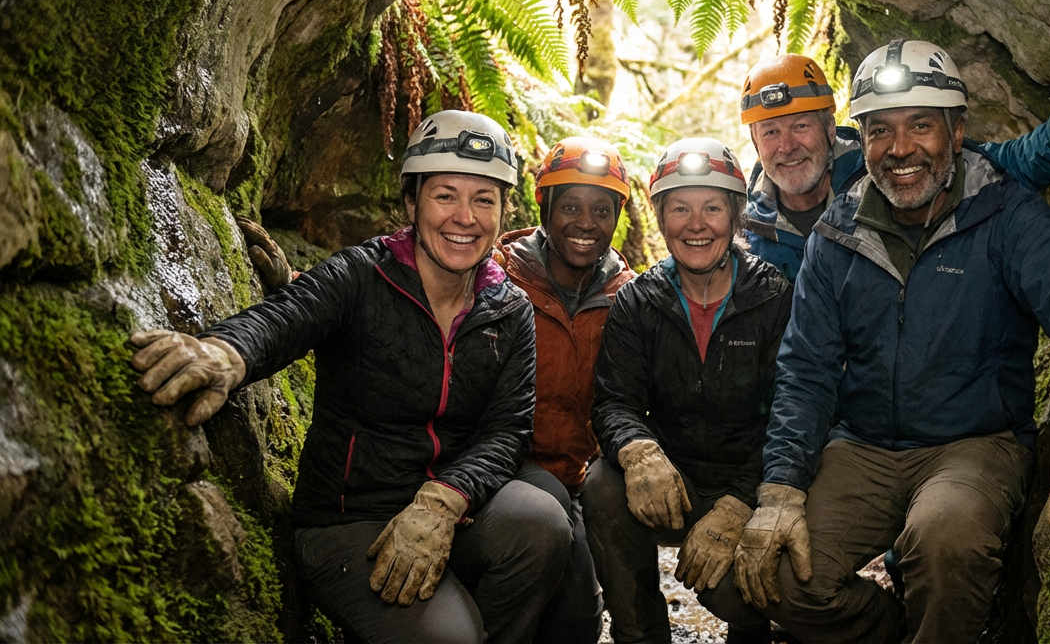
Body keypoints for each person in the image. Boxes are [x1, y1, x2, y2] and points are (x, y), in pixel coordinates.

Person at [731, 40, 1050, 642]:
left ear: (957, 130)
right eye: (881, 130)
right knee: (781, 575)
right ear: (861, 143)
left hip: (973, 441)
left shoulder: (1004, 214)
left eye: (921, 124)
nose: (900, 148)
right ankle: (895, 632)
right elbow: (805, 370)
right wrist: (780, 490)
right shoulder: (832, 237)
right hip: (861, 445)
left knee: (944, 538)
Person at [128, 110, 572, 644]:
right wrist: (225, 353)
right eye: (445, 195)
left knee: (541, 523)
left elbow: (507, 432)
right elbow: (288, 316)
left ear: (503, 212)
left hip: (448, 509)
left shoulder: (508, 307)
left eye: (485, 199)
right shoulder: (364, 275)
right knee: (450, 639)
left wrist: (443, 502)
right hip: (348, 521)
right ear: (411, 203)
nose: (465, 217)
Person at [582, 139, 791, 644]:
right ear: (660, 218)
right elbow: (614, 399)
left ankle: (753, 632)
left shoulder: (773, 297)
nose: (696, 225)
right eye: (680, 208)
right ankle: (641, 633)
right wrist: (637, 451)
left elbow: (791, 414)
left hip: (749, 486)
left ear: (736, 216)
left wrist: (742, 503)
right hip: (674, 483)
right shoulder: (639, 301)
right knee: (603, 486)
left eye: (712, 208)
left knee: (734, 596)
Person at [740, 50, 1050, 281]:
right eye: (770, 132)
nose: (787, 146)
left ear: (828, 125)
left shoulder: (882, 164)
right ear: (755, 143)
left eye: (801, 126)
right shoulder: (746, 234)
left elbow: (990, 169)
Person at [494, 136, 637, 643]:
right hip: (495, 465)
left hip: (575, 478)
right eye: (570, 206)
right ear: (544, 206)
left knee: (577, 621)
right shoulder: (496, 274)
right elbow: (406, 278)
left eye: (601, 209)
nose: (585, 223)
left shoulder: (628, 296)